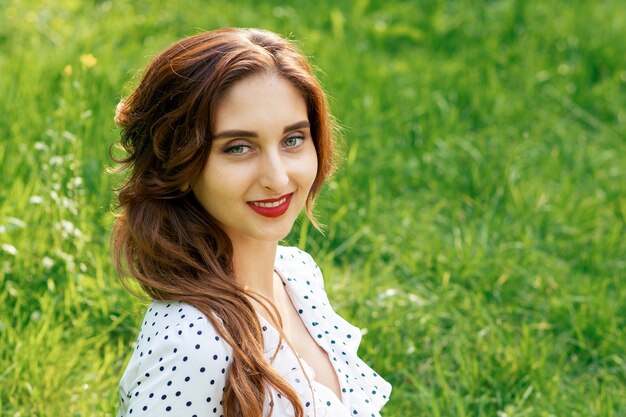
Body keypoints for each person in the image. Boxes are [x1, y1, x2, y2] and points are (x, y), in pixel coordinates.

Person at [111, 28, 391, 417]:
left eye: (293, 139)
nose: (277, 178)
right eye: (238, 147)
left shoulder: (296, 275)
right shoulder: (193, 339)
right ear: (179, 163)